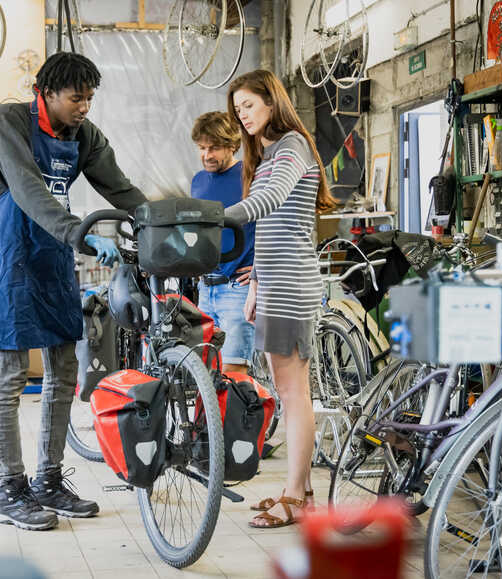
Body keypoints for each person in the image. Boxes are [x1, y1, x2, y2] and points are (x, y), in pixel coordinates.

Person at [0, 52, 146, 531]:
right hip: (15, 256)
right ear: (48, 92)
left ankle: (49, 480)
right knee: (11, 373)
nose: (85, 107)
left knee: (61, 373)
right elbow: (28, 188)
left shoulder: (84, 136)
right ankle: (10, 488)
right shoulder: (12, 120)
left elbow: (121, 189)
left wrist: (165, 222)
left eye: (90, 98)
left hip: (56, 256)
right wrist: (81, 233)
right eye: (77, 97)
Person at [223, 70, 337, 529]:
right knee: (289, 392)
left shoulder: (291, 146)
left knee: (293, 395)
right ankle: (301, 489)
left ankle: (295, 497)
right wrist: (255, 287)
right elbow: (271, 231)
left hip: (292, 287)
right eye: (237, 110)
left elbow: (269, 202)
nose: (242, 116)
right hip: (274, 285)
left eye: (248, 105)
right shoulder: (269, 152)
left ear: (271, 101)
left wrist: (214, 219)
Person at [190, 111, 255, 374]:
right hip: (206, 289)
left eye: (214, 147)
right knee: (205, 373)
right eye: (202, 148)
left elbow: (271, 226)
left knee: (233, 372)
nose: (207, 155)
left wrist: (260, 268)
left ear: (232, 145)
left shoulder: (249, 176)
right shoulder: (198, 181)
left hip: (238, 288)